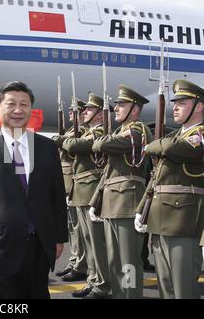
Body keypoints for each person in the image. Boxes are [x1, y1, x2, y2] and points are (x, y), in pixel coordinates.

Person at [0, 81, 68, 299]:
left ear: (32, 109)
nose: (18, 110)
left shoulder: (47, 148)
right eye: (11, 104)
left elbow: (57, 196)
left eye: (25, 104)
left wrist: (60, 237)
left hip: (39, 245)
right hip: (0, 244)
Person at [136, 79, 204, 299]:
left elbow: (173, 148)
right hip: (159, 219)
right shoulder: (175, 135)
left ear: (199, 106)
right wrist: (141, 208)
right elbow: (157, 178)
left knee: (184, 289)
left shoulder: (198, 135)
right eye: (175, 102)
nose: (175, 106)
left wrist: (151, 146)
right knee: (166, 287)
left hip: (183, 222)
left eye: (182, 102)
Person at [90, 85, 152, 299]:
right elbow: (107, 170)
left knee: (129, 262)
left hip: (128, 201)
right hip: (111, 202)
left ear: (135, 110)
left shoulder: (138, 130)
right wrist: (96, 200)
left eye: (122, 105)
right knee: (114, 260)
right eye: (117, 104)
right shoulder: (120, 132)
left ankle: (131, 296)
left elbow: (105, 144)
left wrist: (101, 141)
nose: (116, 108)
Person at [63, 93, 111, 299]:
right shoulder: (89, 131)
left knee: (96, 242)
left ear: (100, 114)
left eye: (89, 110)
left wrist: (64, 141)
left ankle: (101, 283)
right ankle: (93, 279)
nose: (84, 113)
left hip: (91, 188)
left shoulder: (99, 131)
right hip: (82, 188)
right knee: (87, 239)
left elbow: (73, 146)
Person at [52, 100, 88, 282]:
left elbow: (68, 145)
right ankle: (75, 261)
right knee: (73, 228)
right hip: (66, 182)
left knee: (79, 229)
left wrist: (58, 139)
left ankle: (81, 264)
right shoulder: (71, 131)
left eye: (74, 113)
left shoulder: (81, 131)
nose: (70, 116)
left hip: (73, 182)